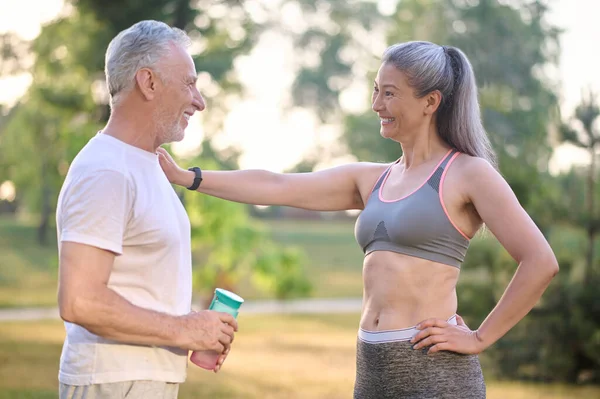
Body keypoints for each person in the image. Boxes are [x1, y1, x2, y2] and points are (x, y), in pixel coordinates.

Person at [158, 40, 559, 398]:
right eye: (375, 91)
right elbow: (278, 186)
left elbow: (540, 261)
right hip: (372, 368)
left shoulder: (468, 173)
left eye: (389, 93)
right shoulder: (372, 179)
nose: (376, 105)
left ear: (430, 102)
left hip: (433, 372)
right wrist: (188, 177)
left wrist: (479, 337)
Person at [56, 20, 238, 399]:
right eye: (189, 83)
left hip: (140, 379)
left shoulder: (147, 165)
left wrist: (198, 329)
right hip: (113, 381)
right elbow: (80, 300)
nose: (199, 101)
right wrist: (184, 329)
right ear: (149, 83)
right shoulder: (106, 169)